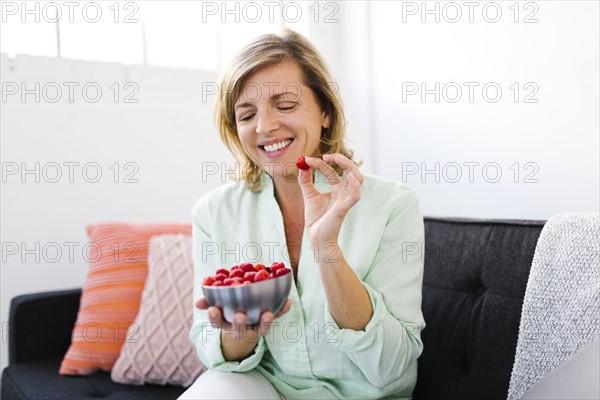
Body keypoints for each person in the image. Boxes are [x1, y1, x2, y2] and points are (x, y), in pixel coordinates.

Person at [181, 28, 425, 400]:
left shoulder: (394, 204)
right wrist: (239, 332)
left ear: (325, 111)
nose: (264, 127)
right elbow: (212, 347)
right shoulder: (214, 212)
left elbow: (391, 366)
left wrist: (326, 247)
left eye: (285, 105)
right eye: (247, 114)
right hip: (263, 386)